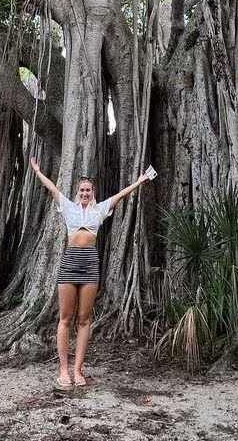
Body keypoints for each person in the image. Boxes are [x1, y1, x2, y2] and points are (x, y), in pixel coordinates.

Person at [29, 155, 152, 389]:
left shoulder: (100, 209)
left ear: (92, 193)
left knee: (84, 319)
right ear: (78, 192)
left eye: (88, 190)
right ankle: (63, 370)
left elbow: (122, 195)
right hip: (70, 263)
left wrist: (140, 180)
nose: (85, 193)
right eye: (82, 190)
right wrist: (36, 169)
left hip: (90, 265)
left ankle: (77, 370)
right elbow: (51, 186)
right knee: (65, 318)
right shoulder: (67, 207)